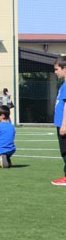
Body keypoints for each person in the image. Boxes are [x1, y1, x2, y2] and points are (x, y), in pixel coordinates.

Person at [50, 57, 66, 186]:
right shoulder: (63, 85)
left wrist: (64, 124)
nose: (55, 72)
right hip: (60, 123)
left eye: (57, 69)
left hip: (63, 124)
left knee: (65, 152)